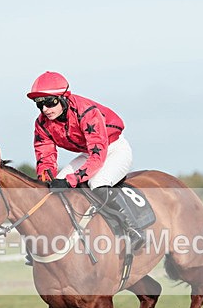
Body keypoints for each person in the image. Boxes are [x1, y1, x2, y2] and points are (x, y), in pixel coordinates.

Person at [27, 71, 144, 250]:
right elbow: (45, 158)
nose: (45, 110)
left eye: (50, 102)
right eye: (40, 105)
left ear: (64, 98)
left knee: (97, 182)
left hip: (113, 149)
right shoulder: (42, 123)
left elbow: (97, 158)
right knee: (53, 190)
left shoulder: (86, 112)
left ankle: (131, 229)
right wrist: (46, 183)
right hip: (88, 153)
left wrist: (70, 180)